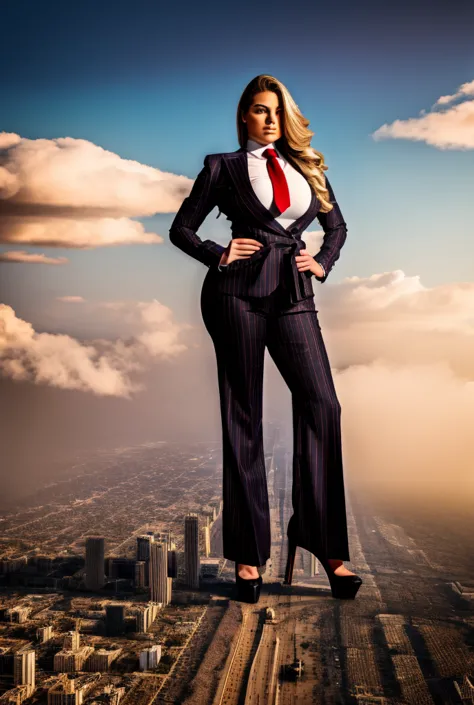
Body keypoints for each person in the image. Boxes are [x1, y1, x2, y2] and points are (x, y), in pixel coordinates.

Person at [169, 74, 362, 603]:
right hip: (235, 295)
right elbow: (181, 228)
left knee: (324, 406)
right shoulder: (222, 167)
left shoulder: (308, 167)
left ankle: (324, 544)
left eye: (277, 110)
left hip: (294, 294)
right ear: (245, 117)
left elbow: (338, 227)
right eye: (260, 110)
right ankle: (250, 556)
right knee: (243, 416)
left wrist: (321, 261)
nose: (270, 118)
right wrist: (218, 253)